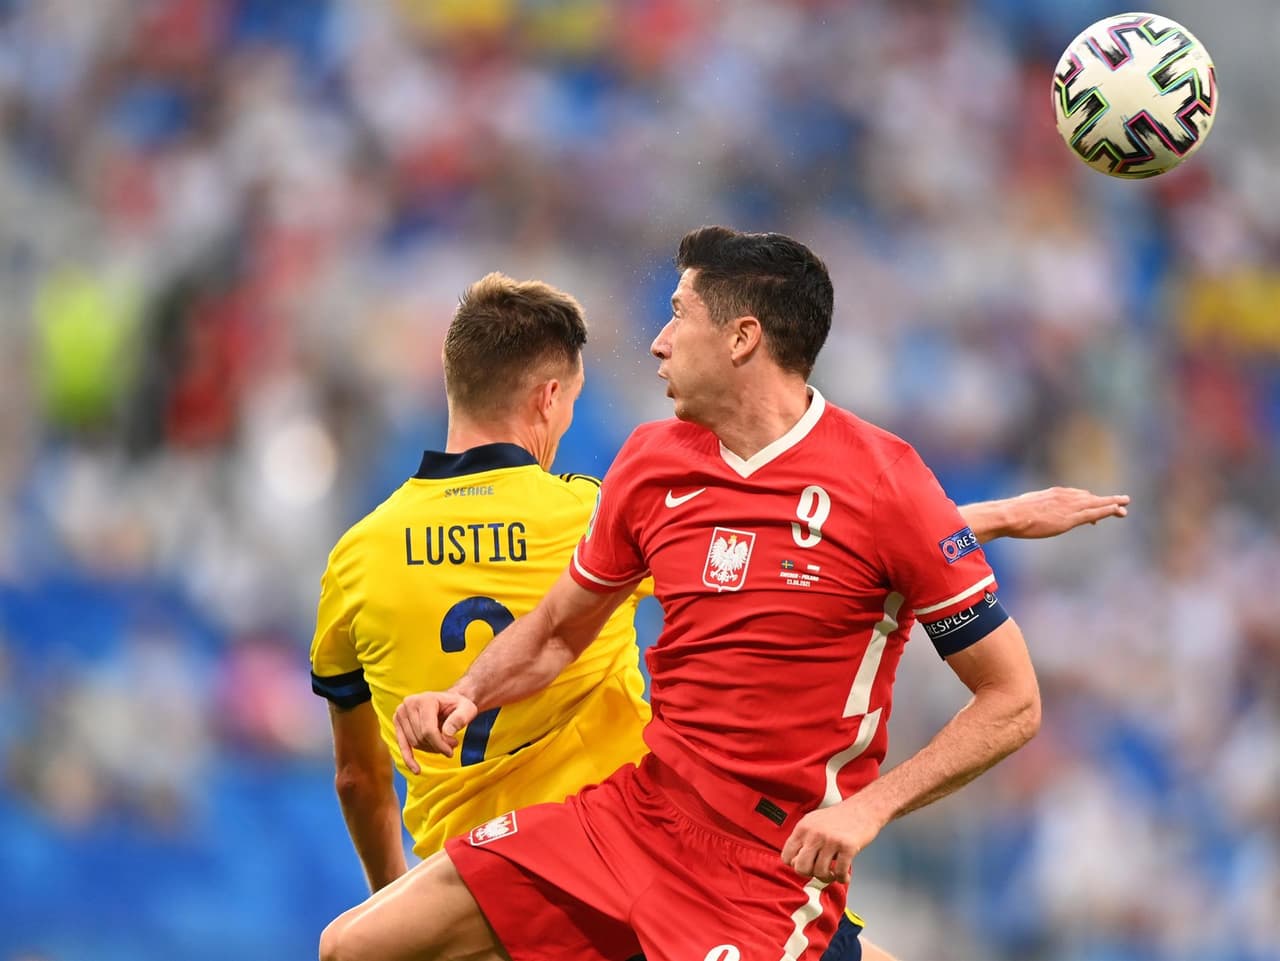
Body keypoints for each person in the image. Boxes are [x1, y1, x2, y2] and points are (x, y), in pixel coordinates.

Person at [313, 250, 1128, 961]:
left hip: (758, 857)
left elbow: (999, 684)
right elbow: (567, 624)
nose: (659, 341)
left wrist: (868, 811)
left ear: (741, 338)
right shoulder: (623, 480)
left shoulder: (359, 549)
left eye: (677, 316)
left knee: (360, 940)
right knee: (349, 944)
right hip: (630, 819)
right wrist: (466, 694)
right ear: (548, 400)